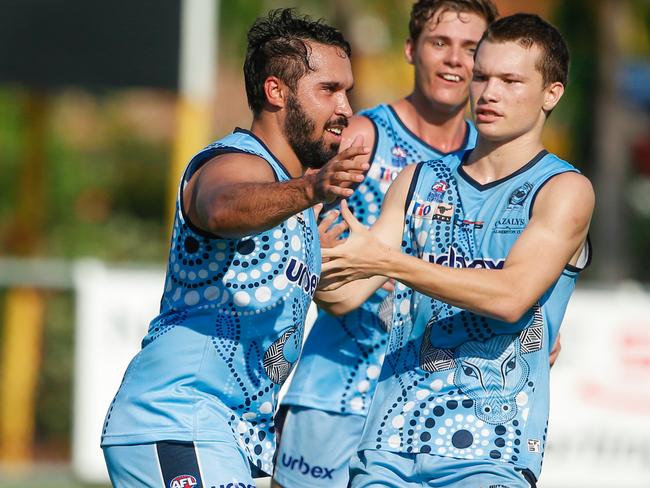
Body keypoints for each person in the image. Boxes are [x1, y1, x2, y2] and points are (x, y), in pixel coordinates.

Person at [317, 13, 593, 488]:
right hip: (388, 445)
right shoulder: (418, 179)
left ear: (552, 92)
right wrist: (318, 258)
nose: (488, 93)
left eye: (510, 80)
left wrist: (390, 263)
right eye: (482, 76)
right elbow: (343, 297)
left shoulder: (564, 189)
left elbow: (510, 297)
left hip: (492, 454)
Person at [100, 8, 369, 488]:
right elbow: (220, 207)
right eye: (329, 90)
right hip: (180, 417)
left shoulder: (289, 201)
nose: (346, 108)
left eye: (346, 90)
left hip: (223, 433)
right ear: (276, 91)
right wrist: (311, 191)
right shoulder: (234, 161)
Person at [273, 2, 497, 487]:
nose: (455, 60)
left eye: (472, 48)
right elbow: (297, 237)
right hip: (336, 393)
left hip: (429, 408)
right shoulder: (360, 136)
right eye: (440, 43)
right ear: (412, 50)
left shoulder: (489, 158)